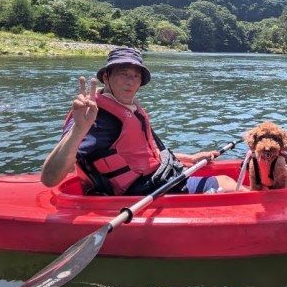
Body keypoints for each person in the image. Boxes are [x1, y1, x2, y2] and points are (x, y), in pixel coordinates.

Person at [41, 47, 244, 195]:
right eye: (123, 74)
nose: (131, 81)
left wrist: (190, 158)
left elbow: (146, 153)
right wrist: (78, 130)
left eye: (136, 76)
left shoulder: (131, 108)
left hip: (158, 178)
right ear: (106, 76)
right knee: (227, 183)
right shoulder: (96, 117)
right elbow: (50, 179)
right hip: (141, 192)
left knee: (230, 179)